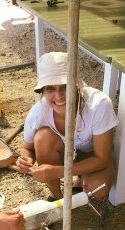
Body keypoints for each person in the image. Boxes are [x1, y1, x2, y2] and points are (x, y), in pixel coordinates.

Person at [15, 52, 118, 201]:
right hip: (63, 154)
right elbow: (28, 148)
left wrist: (59, 171)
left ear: (77, 86)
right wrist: (25, 160)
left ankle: (82, 178)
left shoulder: (98, 105)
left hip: (93, 156)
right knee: (42, 138)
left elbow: (101, 158)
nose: (59, 96)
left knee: (96, 188)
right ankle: (57, 198)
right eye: (50, 88)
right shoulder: (38, 112)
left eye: (65, 87)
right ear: (42, 91)